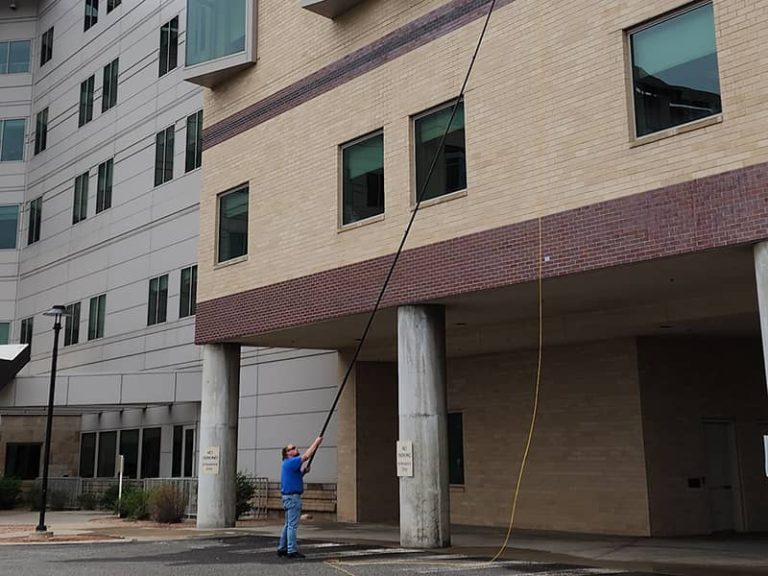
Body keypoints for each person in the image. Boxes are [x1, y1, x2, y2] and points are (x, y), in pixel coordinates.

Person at [277, 435, 323, 559]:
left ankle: (282, 548)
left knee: (288, 524)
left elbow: (294, 479)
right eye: (291, 448)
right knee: (292, 525)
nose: (295, 449)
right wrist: (316, 442)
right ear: (287, 453)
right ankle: (291, 550)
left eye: (294, 447)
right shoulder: (292, 461)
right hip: (293, 498)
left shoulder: (288, 464)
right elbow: (307, 456)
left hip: (288, 497)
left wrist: (303, 472)